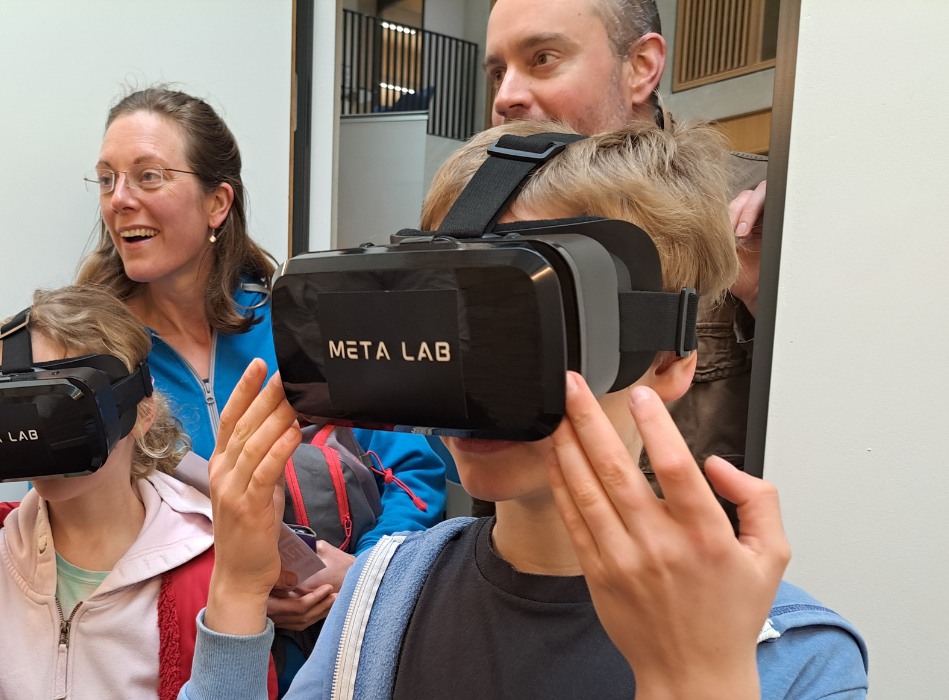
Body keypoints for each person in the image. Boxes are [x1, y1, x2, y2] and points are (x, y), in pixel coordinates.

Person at [178, 120, 868, 699]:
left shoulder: (791, 655)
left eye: (530, 325)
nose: (477, 376)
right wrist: (239, 583)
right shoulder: (386, 592)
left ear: (667, 358)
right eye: (454, 319)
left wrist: (701, 679)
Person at [74, 86, 446, 682]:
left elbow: (414, 470)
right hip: (182, 662)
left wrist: (360, 572)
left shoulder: (305, 325)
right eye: (107, 179)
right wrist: (232, 591)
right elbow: (84, 533)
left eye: (148, 176)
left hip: (340, 653)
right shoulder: (101, 361)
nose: (119, 200)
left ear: (217, 202)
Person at [0, 286, 276, 700]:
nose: (39, 435)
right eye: (19, 406)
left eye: (60, 406)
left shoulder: (217, 571)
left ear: (142, 413)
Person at [472, 0, 766, 512]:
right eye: (498, 72)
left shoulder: (755, 212)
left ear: (641, 67)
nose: (506, 97)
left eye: (542, 58)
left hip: (684, 573)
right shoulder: (481, 202)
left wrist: (768, 295)